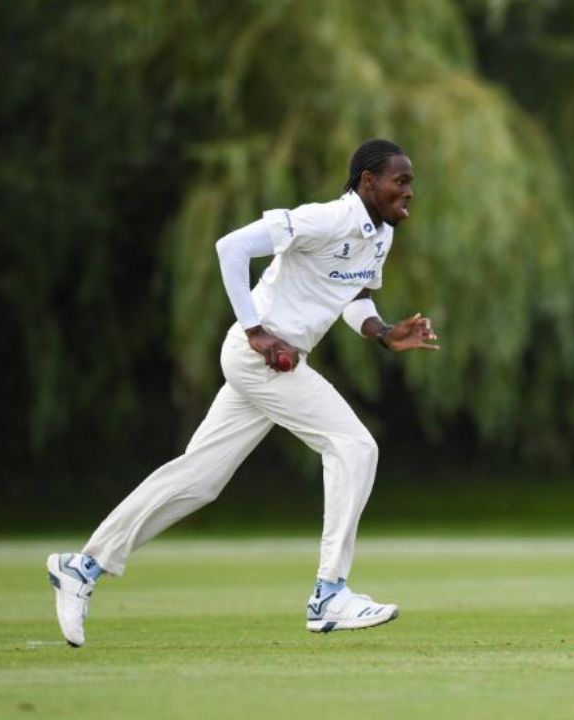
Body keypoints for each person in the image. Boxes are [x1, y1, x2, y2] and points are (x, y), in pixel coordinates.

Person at [47, 139, 438, 647]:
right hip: (261, 356)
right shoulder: (324, 218)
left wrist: (384, 332)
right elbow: (230, 247)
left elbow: (353, 295)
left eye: (410, 182)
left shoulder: (379, 235)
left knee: (199, 480)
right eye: (400, 181)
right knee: (354, 446)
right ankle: (329, 595)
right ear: (367, 182)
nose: (409, 192)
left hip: (276, 360)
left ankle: (83, 566)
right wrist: (255, 330)